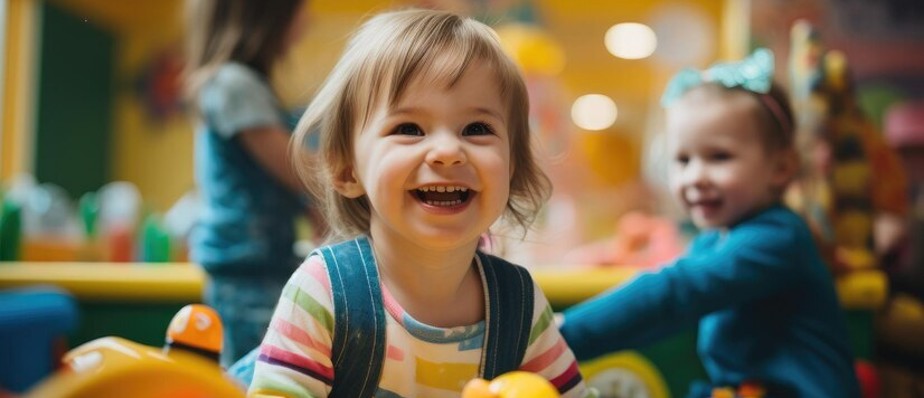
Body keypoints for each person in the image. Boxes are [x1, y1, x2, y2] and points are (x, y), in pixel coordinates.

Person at [247, 8, 589, 398]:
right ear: (347, 169)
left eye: (477, 129)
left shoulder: (520, 306)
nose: (447, 151)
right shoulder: (324, 291)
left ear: (512, 167)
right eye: (408, 129)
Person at [558, 49, 861, 398]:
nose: (695, 177)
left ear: (781, 167)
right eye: (683, 159)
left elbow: (677, 291)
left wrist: (561, 337)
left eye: (719, 156)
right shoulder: (714, 242)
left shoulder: (778, 237)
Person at [182, 0, 324, 367]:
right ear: (266, 14)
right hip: (246, 271)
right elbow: (298, 170)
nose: (308, 17)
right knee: (260, 373)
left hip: (259, 264)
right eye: (299, 7)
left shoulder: (245, 85)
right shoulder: (235, 83)